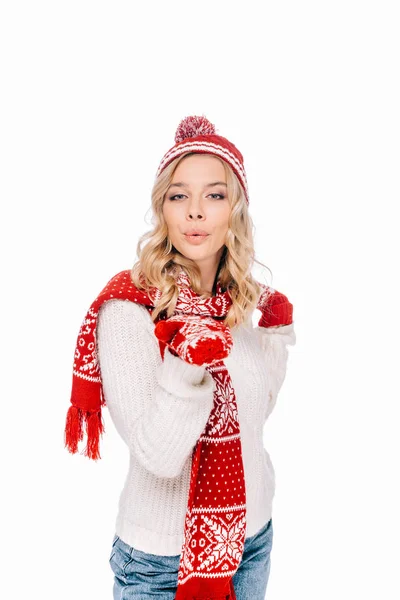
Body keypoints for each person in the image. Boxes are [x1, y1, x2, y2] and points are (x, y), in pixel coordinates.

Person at [64, 115, 296, 600]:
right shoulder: (130, 309)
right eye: (178, 195)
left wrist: (273, 339)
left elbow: (256, 415)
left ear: (236, 209)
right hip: (161, 563)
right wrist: (187, 364)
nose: (195, 211)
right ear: (163, 210)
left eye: (214, 195)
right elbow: (161, 456)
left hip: (251, 544)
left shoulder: (238, 303)